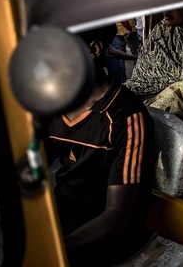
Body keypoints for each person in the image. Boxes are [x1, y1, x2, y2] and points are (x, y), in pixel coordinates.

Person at [45, 24, 156, 267]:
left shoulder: (126, 117)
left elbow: (117, 218)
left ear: (94, 49)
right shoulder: (53, 105)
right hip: (61, 220)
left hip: (104, 236)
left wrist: (53, 252)